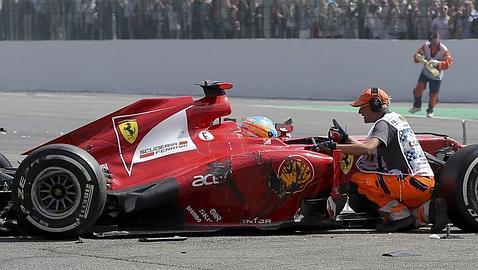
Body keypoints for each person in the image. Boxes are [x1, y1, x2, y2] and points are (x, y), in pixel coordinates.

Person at [324, 87, 448, 233]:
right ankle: (430, 210)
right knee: (410, 218)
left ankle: (399, 216)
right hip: (422, 184)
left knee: (359, 180)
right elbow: (371, 152)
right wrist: (346, 139)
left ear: (375, 105)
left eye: (362, 107)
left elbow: (368, 149)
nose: (360, 112)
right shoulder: (395, 118)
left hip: (412, 183)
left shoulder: (383, 124)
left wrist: (334, 147)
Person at [409, 32, 453, 118]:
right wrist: (418, 56)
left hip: (437, 75)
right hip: (425, 71)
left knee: (433, 94)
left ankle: (430, 110)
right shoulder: (426, 45)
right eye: (431, 40)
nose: (432, 43)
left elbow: (449, 63)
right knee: (418, 88)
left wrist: (438, 63)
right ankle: (417, 106)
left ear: (438, 39)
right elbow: (418, 54)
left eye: (434, 40)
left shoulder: (444, 49)